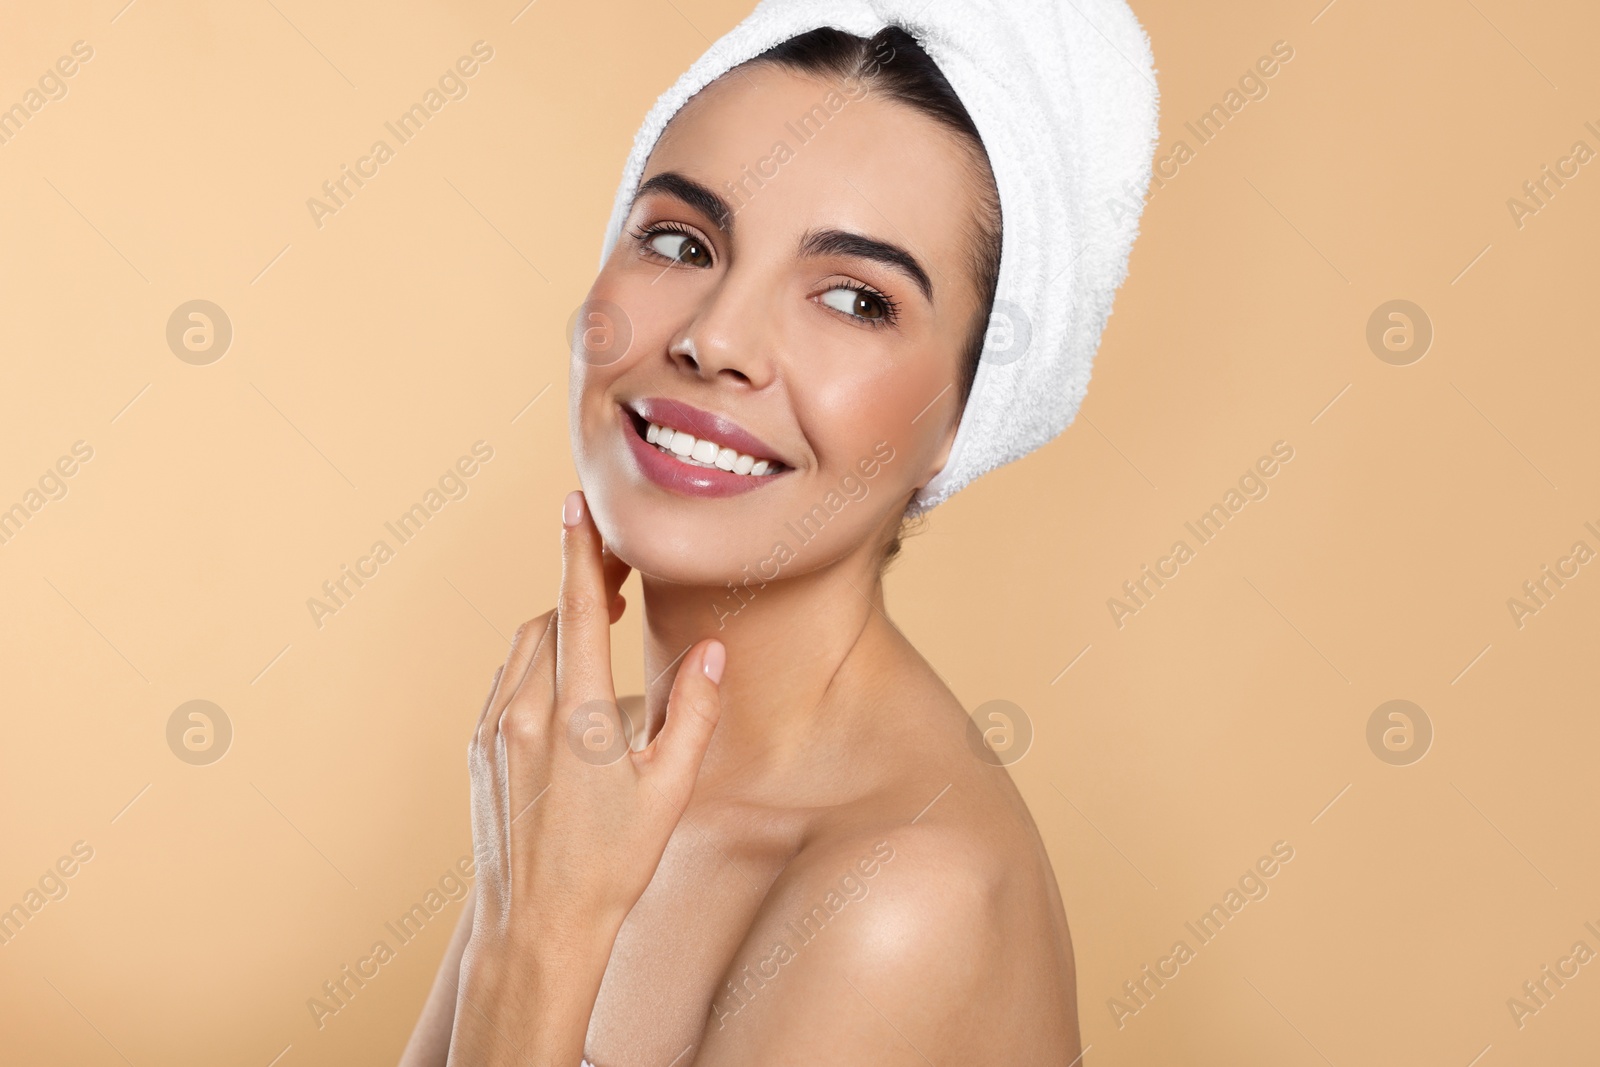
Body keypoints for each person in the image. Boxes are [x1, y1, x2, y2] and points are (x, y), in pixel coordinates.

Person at [400, 4, 1156, 1062]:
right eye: (679, 240)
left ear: (963, 416)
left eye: (853, 299)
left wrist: (542, 943)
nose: (714, 339)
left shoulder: (900, 897)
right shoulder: (585, 785)